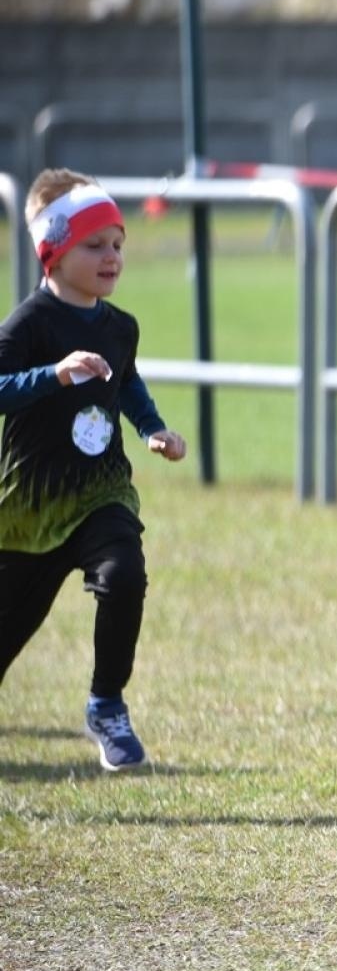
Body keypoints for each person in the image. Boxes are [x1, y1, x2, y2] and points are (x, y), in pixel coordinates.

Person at [0, 168, 188, 771]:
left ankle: (106, 703)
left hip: (100, 492)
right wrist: (53, 374)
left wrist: (152, 427)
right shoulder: (28, 326)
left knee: (124, 574)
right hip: (30, 507)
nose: (112, 257)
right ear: (52, 252)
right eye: (94, 245)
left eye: (118, 244)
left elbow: (126, 381)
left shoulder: (120, 328)